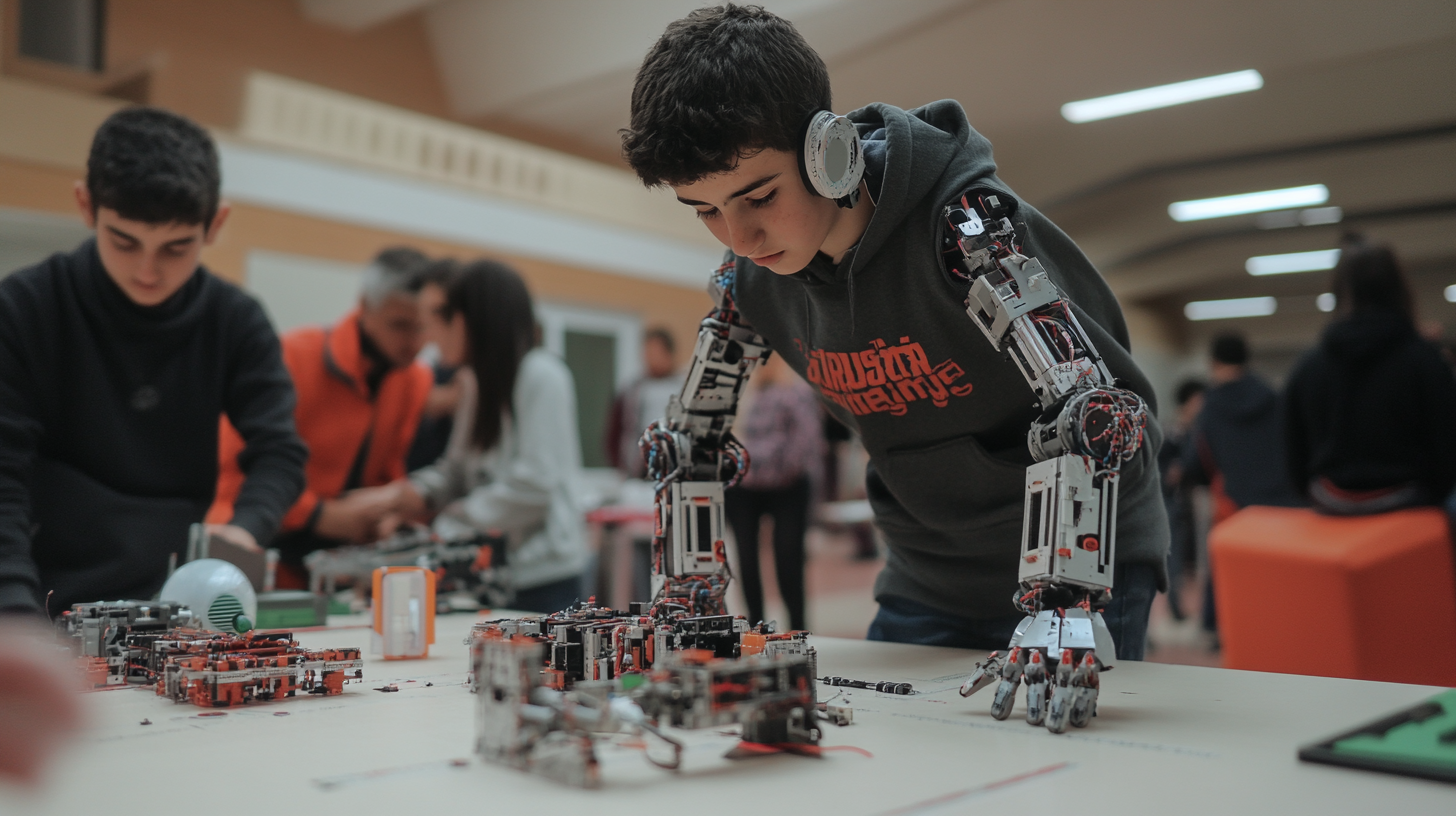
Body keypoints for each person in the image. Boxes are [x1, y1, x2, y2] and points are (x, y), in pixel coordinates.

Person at [620, 6, 1166, 658]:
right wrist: (689, 600)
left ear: (829, 151)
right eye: (706, 210)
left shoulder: (963, 229)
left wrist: (1065, 605)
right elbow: (691, 444)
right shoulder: (752, 284)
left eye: (760, 197)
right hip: (925, 571)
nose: (740, 238)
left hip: (1083, 560)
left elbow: (1088, 412)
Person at [0, 107, 306, 615]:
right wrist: (13, 613)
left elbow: (279, 448)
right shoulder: (23, 309)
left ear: (216, 223)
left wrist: (247, 525)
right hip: (38, 591)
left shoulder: (237, 320)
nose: (148, 270)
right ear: (86, 204)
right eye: (124, 241)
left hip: (169, 602)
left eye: (176, 246)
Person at [352, 260, 589, 613]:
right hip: (494, 571)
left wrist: (449, 523)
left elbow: (535, 485)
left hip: (542, 575)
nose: (430, 334)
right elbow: (457, 470)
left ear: (470, 320)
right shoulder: (476, 385)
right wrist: (408, 494)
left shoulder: (541, 375)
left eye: (442, 316)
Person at [208, 247, 436, 584]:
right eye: (400, 325)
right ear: (365, 307)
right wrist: (319, 516)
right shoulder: (293, 356)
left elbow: (389, 472)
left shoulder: (415, 378)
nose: (415, 342)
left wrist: (388, 516)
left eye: (423, 328)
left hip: (341, 568)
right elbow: (234, 471)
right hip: (260, 551)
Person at [1283, 240, 1456, 515]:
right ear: (1399, 289)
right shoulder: (1426, 360)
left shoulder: (1307, 366)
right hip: (1410, 502)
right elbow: (1447, 450)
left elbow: (1294, 461)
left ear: (1338, 293)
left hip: (1331, 501)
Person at [1182, 332, 1302, 635]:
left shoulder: (1211, 406)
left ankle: (1220, 626)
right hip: (1283, 502)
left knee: (1231, 570)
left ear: (1214, 362)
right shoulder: (1273, 396)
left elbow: (1199, 459)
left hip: (1235, 504)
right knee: (1279, 575)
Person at [725, 352, 824, 631]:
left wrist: (780, 468)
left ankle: (798, 628)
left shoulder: (795, 393)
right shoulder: (743, 396)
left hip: (788, 485)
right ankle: (756, 626)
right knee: (746, 556)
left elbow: (807, 441)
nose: (761, 368)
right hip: (745, 488)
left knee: (788, 557)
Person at [604, 327, 682, 478]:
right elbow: (614, 432)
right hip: (637, 469)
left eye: (654, 352)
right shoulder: (632, 390)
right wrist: (618, 464)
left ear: (668, 353)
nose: (648, 357)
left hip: (674, 469)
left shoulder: (683, 390)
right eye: (646, 352)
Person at [1159, 380, 1205, 621]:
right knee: (1174, 555)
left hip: (1191, 502)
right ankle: (1175, 606)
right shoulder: (1172, 430)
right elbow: (1164, 468)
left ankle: (1185, 607)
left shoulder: (1198, 431)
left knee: (1188, 557)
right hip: (1173, 502)